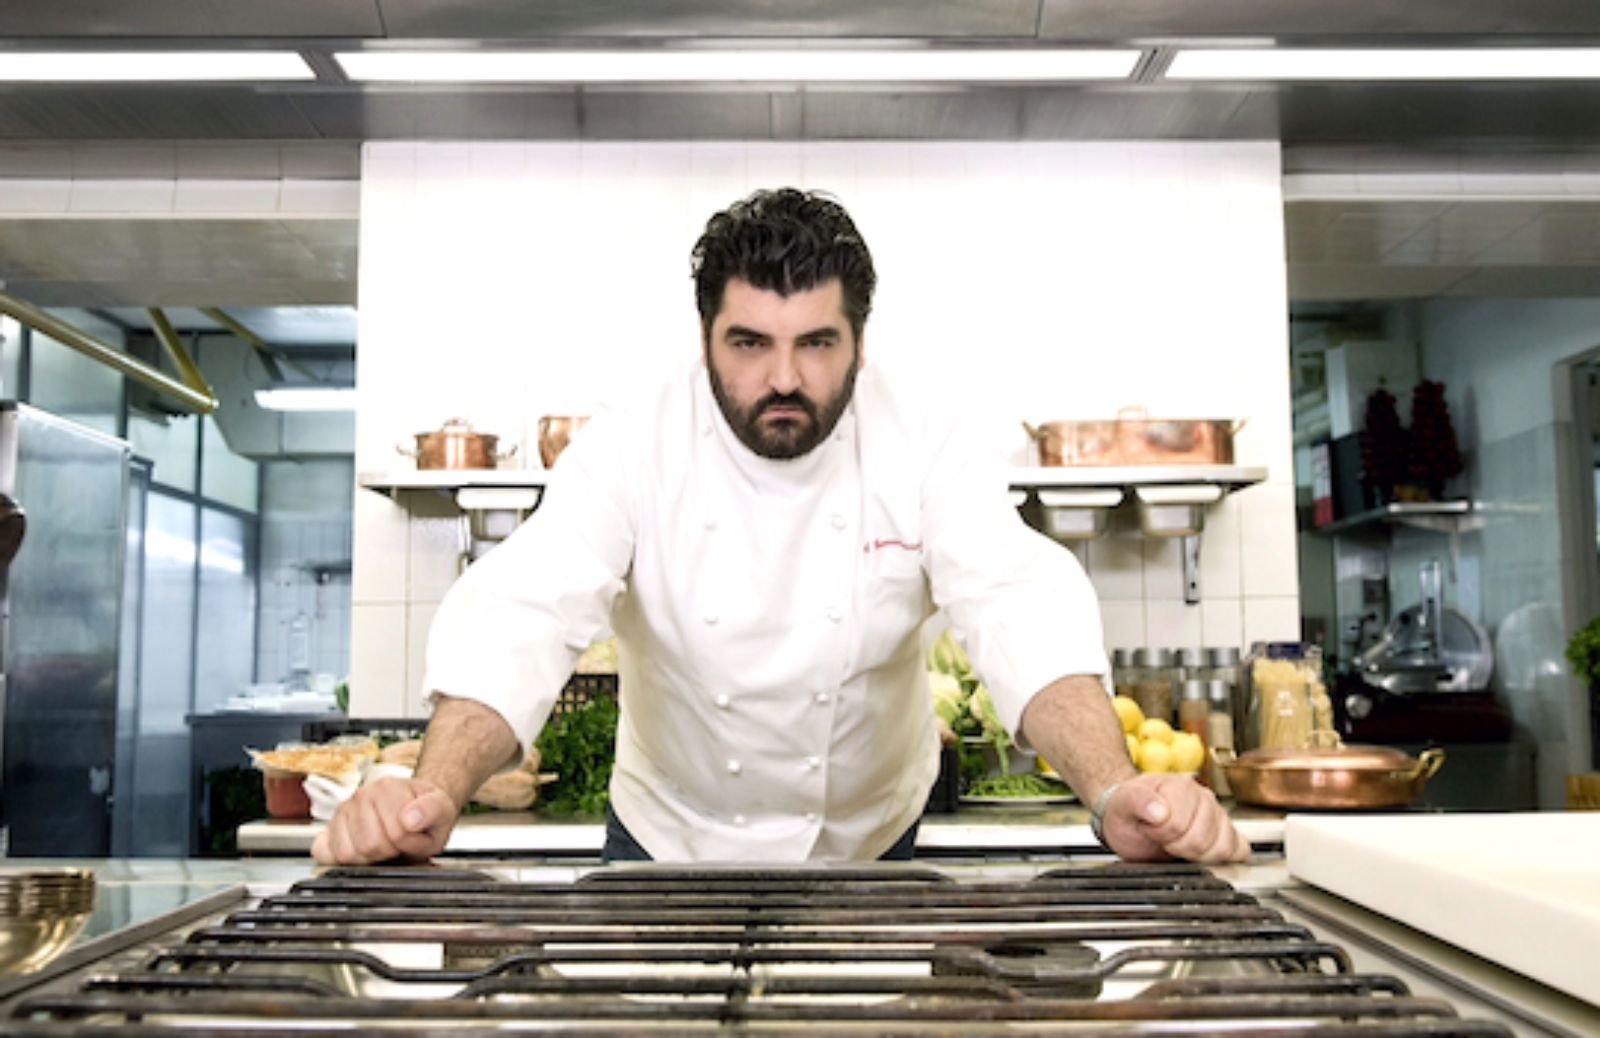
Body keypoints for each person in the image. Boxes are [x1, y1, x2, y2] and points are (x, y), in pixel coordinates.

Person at [313, 188, 1249, 867]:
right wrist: (432, 791)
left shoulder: (924, 435)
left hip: (872, 841)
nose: (785, 380)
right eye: (750, 344)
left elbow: (1015, 602)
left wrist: (1114, 789)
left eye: (817, 343)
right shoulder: (634, 439)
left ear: (860, 342)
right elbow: (526, 610)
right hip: (665, 842)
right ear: (707, 336)